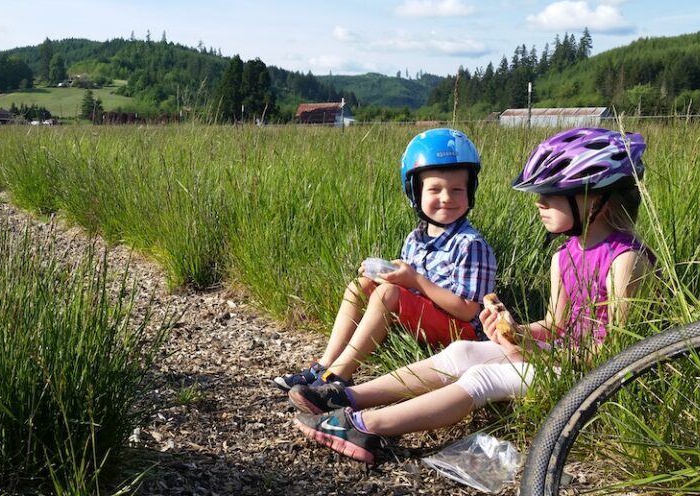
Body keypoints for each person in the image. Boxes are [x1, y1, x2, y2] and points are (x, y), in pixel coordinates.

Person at [290, 127, 654, 464]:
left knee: (482, 379)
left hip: (588, 376)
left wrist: (530, 350)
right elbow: (557, 324)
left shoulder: (626, 261)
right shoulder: (564, 256)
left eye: (554, 194)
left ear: (597, 200)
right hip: (555, 356)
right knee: (461, 352)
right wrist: (516, 331)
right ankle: (347, 395)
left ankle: (368, 425)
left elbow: (617, 355)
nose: (540, 203)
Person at [273, 128, 497, 392]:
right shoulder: (417, 237)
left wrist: (413, 279)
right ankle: (325, 364)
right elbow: (408, 286)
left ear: (470, 191)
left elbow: (469, 310)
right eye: (435, 189)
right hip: (427, 318)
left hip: (461, 332)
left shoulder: (471, 245)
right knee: (361, 286)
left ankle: (338, 377)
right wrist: (387, 273)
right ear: (416, 192)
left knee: (388, 294)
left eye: (457, 189)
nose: (447, 198)